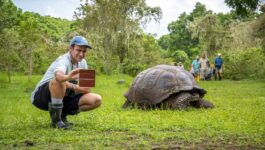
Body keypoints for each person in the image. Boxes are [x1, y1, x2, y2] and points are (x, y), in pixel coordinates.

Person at [30, 36, 102, 129]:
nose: (81, 54)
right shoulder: (63, 60)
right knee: (59, 82)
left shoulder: (83, 63)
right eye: (78, 50)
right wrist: (69, 78)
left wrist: (75, 87)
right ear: (71, 48)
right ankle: (56, 121)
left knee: (96, 99)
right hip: (42, 96)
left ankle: (63, 114)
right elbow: (59, 77)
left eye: (84, 51)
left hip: (64, 94)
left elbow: (87, 88)